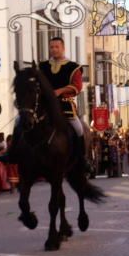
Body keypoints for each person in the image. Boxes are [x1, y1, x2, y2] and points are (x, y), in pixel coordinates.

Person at [39, 36, 89, 170]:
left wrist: (60, 91)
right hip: (44, 105)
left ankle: (82, 158)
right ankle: (14, 153)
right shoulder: (42, 66)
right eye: (51, 47)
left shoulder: (73, 67)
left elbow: (77, 87)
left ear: (63, 48)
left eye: (57, 47)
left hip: (64, 105)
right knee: (22, 121)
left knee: (79, 129)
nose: (54, 50)